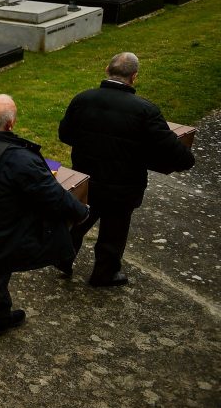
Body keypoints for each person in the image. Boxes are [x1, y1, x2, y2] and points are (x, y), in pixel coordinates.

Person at [0, 95, 89, 367]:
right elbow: (53, 195)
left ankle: (3, 317)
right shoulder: (19, 159)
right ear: (10, 124)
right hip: (2, 235)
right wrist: (81, 212)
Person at [59, 53, 194, 287]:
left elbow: (65, 135)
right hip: (123, 186)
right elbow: (176, 153)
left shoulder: (83, 99)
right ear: (134, 76)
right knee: (114, 232)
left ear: (107, 69)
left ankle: (62, 258)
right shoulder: (145, 111)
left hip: (87, 179)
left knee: (81, 220)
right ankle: (104, 274)